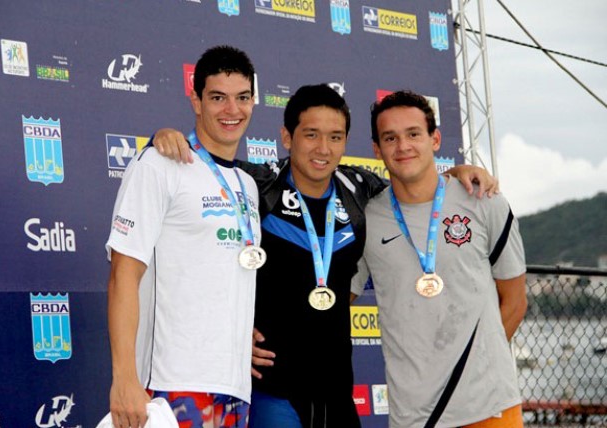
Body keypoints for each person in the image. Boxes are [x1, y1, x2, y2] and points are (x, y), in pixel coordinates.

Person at [152, 84, 499, 428]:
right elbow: (203, 178)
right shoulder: (256, 184)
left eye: (335, 137)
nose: (323, 148)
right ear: (287, 137)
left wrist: (457, 173)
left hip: (337, 395)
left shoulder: (359, 188)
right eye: (311, 135)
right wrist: (164, 139)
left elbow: (413, 182)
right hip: (273, 392)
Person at [105, 45, 261, 428]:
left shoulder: (248, 184)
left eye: (242, 98)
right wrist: (124, 378)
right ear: (196, 101)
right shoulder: (159, 164)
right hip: (169, 384)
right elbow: (123, 274)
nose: (232, 110)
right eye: (218, 98)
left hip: (234, 387)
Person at [351, 90, 527, 428]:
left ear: (435, 139)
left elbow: (516, 302)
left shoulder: (485, 201)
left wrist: (471, 373)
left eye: (414, 134)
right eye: (390, 138)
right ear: (376, 149)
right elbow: (334, 299)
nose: (403, 146)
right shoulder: (367, 220)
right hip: (416, 416)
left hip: (490, 407)